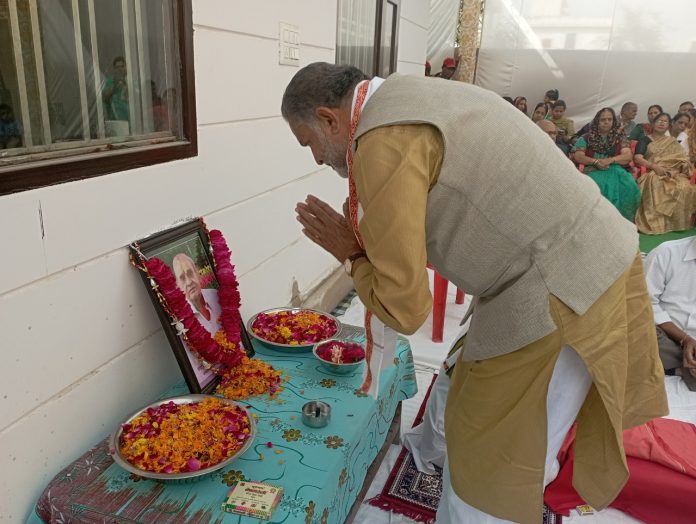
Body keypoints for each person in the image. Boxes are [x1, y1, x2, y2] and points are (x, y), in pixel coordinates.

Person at [281, 62, 667, 524]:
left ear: (328, 119)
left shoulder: (381, 140)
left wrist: (351, 255)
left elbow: (404, 308)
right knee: (475, 415)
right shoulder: (408, 95)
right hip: (576, 265)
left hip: (561, 290)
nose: (316, 159)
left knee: (493, 459)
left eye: (309, 143)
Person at [644, 236, 696, 392]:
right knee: (633, 330)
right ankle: (684, 369)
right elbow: (645, 303)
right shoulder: (666, 253)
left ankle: (677, 368)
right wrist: (685, 339)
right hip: (665, 337)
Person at [572, 107, 640, 221]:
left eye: (610, 119)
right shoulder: (587, 137)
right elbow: (578, 156)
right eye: (603, 119)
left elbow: (627, 156)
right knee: (599, 185)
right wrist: (595, 162)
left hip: (614, 168)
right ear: (597, 121)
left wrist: (610, 160)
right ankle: (598, 221)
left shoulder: (619, 137)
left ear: (614, 121)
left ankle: (621, 221)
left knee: (629, 185)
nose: (606, 122)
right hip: (593, 169)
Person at [634, 112, 696, 234]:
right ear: (653, 123)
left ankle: (675, 224)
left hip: (673, 173)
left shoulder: (672, 141)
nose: (662, 123)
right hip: (653, 171)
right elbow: (638, 158)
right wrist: (654, 167)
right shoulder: (645, 140)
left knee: (686, 187)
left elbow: (682, 160)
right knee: (657, 184)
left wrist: (676, 171)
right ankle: (656, 224)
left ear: (669, 125)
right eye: (659, 121)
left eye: (665, 121)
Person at [172, 253, 223, 385]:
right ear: (177, 284)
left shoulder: (216, 296)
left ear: (197, 273)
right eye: (182, 278)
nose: (189, 282)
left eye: (190, 273)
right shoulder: (178, 321)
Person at [102, 56, 130, 122]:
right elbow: (104, 97)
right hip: (115, 122)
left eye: (122, 66)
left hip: (130, 121)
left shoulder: (131, 81)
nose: (120, 69)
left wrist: (126, 84)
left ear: (126, 68)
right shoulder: (109, 82)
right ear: (114, 69)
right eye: (117, 67)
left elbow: (138, 98)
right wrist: (114, 85)